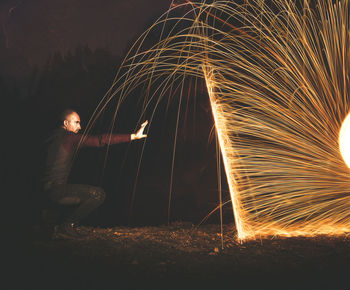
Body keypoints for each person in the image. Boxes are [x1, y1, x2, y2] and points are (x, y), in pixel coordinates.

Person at [41, 109, 148, 239]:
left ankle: (48, 225)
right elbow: (100, 140)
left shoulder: (50, 137)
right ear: (65, 123)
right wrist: (133, 136)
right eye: (76, 122)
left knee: (61, 193)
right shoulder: (69, 138)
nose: (80, 127)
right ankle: (67, 226)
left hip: (43, 191)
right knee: (98, 194)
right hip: (55, 192)